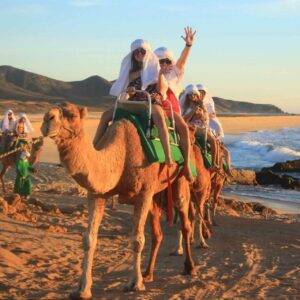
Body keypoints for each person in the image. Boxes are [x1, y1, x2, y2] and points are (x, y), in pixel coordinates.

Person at [93, 39, 173, 169]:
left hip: (151, 101)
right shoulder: (131, 73)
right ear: (133, 55)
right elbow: (131, 93)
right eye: (136, 52)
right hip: (134, 102)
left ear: (147, 53)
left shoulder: (156, 69)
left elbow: (161, 89)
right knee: (106, 115)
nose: (140, 54)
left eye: (142, 51)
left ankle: (168, 155)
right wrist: (130, 93)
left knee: (159, 117)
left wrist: (160, 75)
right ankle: (95, 147)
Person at [154, 27, 196, 180]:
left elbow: (182, 60)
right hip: (155, 107)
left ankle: (186, 165)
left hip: (171, 111)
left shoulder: (173, 74)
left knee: (183, 129)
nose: (163, 64)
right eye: (160, 61)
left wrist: (188, 46)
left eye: (166, 61)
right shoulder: (150, 73)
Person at [180, 84, 219, 171]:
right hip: (191, 127)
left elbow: (206, 118)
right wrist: (193, 112)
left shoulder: (201, 104)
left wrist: (202, 115)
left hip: (202, 127)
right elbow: (183, 120)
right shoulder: (186, 106)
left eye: (194, 94)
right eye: (190, 95)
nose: (192, 96)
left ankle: (214, 163)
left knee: (213, 141)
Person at [196, 84, 232, 174]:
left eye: (202, 92)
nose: (201, 94)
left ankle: (227, 169)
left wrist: (204, 115)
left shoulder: (208, 104)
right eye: (199, 91)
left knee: (225, 151)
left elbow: (213, 114)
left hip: (206, 126)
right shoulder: (192, 102)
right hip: (197, 125)